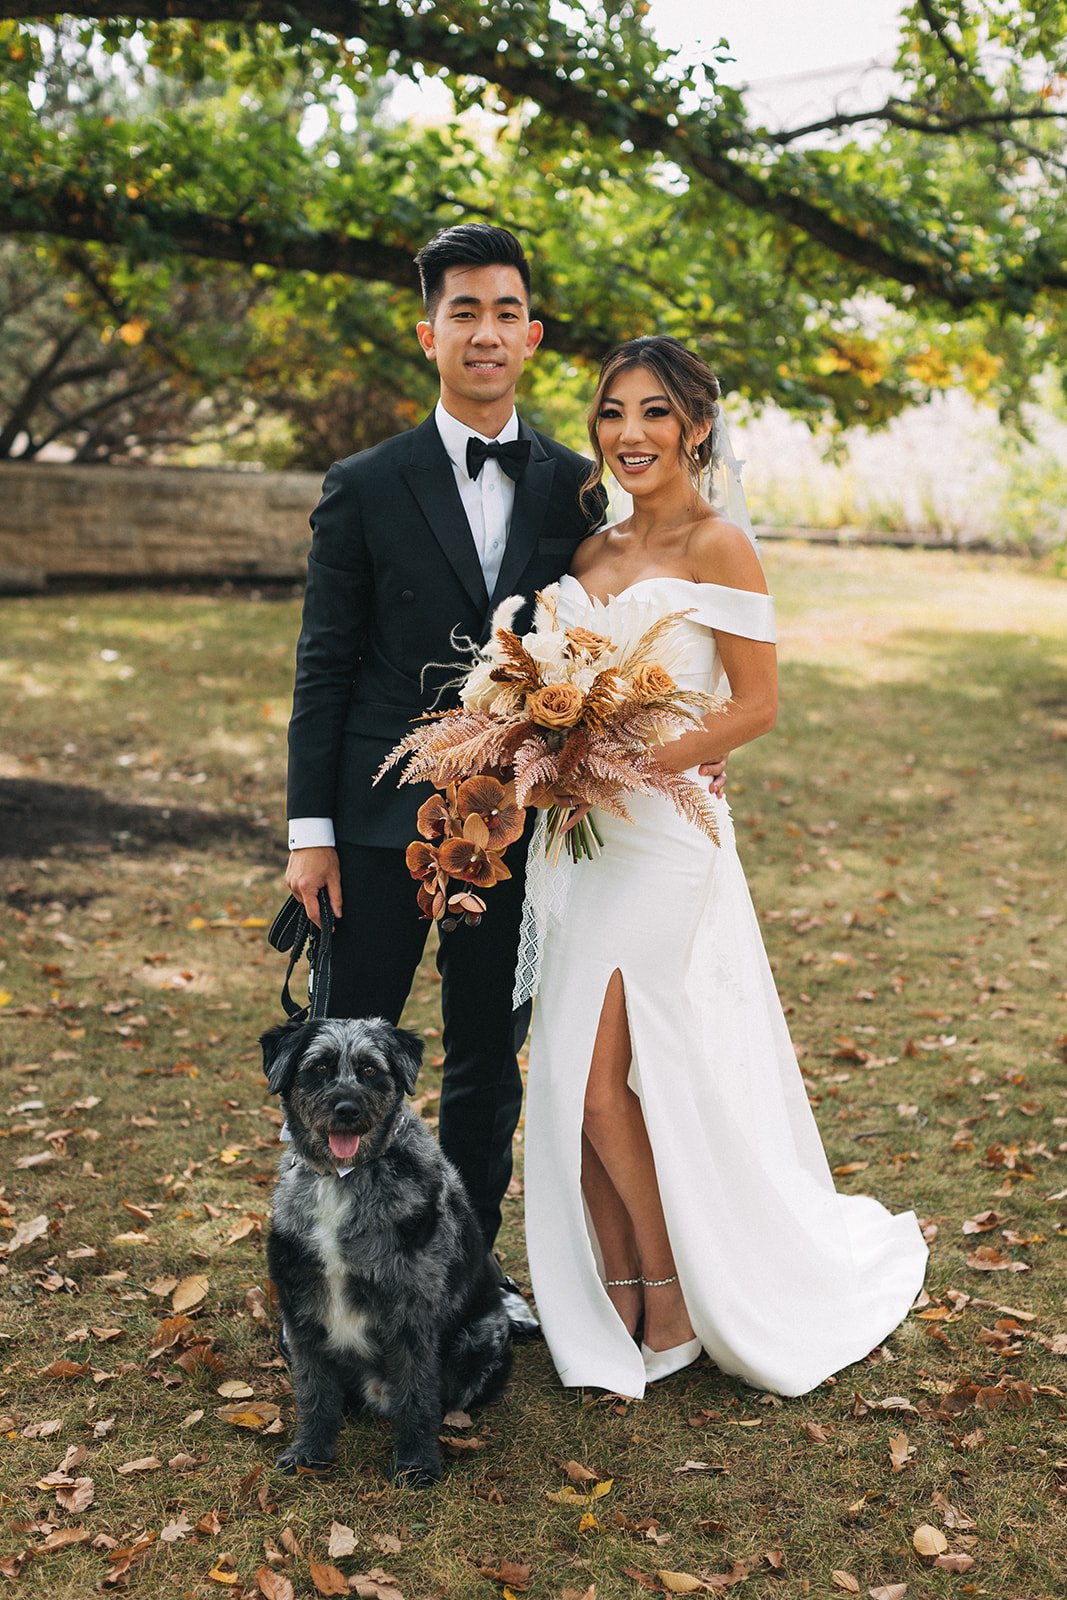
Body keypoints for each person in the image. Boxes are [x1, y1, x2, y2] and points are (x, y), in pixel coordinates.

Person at [285, 225, 723, 1336]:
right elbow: (322, 664)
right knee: (349, 1053)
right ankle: (341, 1273)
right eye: (462, 311)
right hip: (379, 827)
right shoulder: (363, 484)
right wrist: (310, 831)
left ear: (531, 334)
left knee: (489, 1058)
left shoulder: (580, 492)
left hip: (518, 830)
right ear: (427, 329)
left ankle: (464, 1282)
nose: (485, 331)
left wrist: (679, 729)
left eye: (505, 312)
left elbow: (631, 629)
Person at [523, 335, 928, 1396]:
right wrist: (543, 749)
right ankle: (611, 1288)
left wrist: (627, 762)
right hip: (581, 845)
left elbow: (754, 704)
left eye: (653, 413)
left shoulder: (719, 546)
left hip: (663, 838)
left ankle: (671, 1294)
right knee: (570, 1080)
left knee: (608, 1087)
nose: (628, 435)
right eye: (611, 413)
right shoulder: (588, 558)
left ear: (694, 426)